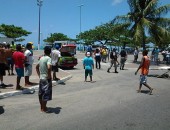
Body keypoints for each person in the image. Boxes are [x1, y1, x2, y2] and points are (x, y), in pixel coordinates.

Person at [36, 46, 52, 113]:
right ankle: (44, 108)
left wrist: (39, 75)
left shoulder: (41, 58)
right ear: (50, 52)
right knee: (45, 94)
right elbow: (49, 67)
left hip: (41, 78)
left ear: (44, 51)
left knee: (41, 93)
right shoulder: (49, 59)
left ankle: (41, 107)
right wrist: (49, 76)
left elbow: (36, 67)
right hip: (46, 79)